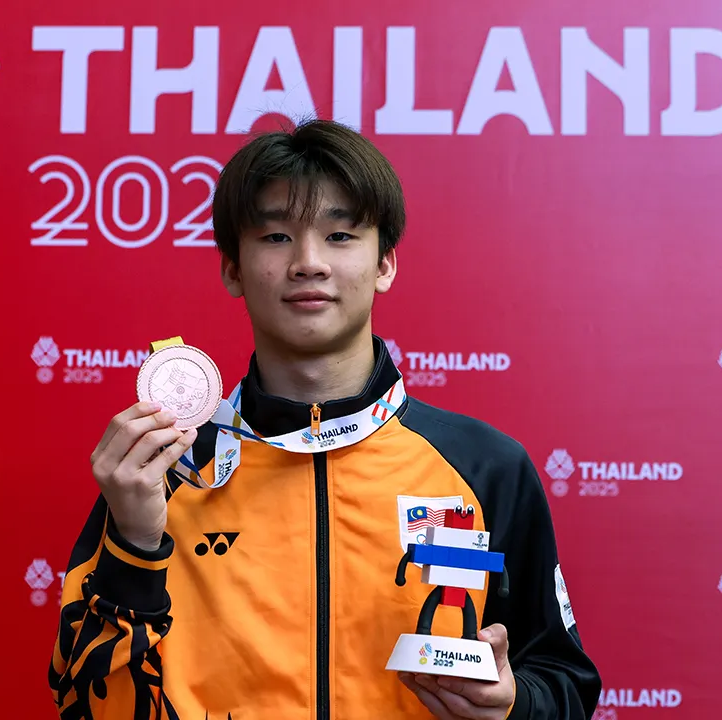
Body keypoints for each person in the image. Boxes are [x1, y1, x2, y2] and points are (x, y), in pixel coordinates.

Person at [49, 119, 601, 720]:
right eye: (277, 236)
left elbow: (566, 684)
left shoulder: (484, 466)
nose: (309, 263)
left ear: (385, 264)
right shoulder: (167, 467)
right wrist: (134, 544)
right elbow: (83, 704)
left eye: (340, 235)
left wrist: (514, 704)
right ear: (232, 268)